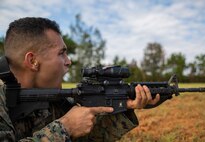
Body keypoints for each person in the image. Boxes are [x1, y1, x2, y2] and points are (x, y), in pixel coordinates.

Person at [0, 17, 160, 142]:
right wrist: (65, 127)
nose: (68, 61)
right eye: (61, 53)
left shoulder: (51, 96)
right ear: (33, 61)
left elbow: (84, 139)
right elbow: (65, 133)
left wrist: (123, 108)